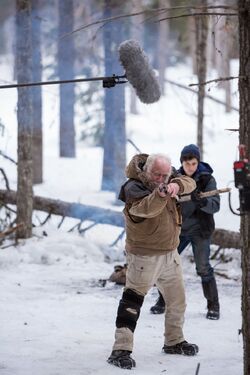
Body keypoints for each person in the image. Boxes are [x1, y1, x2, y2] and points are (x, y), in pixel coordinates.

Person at [107, 153, 198, 370]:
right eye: (157, 174)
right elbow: (147, 209)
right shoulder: (132, 187)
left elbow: (190, 182)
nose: (161, 179)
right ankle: (121, 349)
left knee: (177, 301)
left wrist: (175, 185)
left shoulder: (169, 177)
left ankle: (174, 341)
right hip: (144, 256)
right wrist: (161, 194)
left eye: (165, 175)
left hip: (170, 253)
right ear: (147, 171)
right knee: (132, 303)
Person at [150, 144, 221, 320]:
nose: (191, 167)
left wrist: (202, 202)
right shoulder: (174, 178)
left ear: (198, 162)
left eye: (194, 163)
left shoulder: (207, 179)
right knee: (166, 266)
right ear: (182, 163)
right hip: (178, 229)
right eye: (187, 163)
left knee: (203, 267)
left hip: (200, 230)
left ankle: (213, 306)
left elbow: (216, 205)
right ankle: (162, 301)